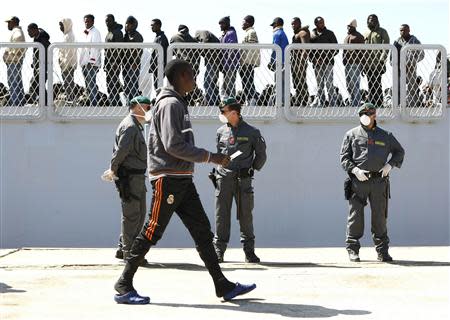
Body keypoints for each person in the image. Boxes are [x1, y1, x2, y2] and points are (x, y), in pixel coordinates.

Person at [113, 59, 256, 304]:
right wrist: (211, 157)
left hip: (181, 179)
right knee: (152, 230)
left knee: (202, 231)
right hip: (168, 179)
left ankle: (222, 285)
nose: (195, 78)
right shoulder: (170, 104)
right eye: (191, 74)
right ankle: (124, 284)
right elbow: (173, 145)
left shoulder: (177, 102)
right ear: (179, 76)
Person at [340, 103, 405, 262]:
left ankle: (382, 251)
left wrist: (390, 165)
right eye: (362, 113)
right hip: (359, 181)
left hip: (379, 182)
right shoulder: (351, 135)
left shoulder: (385, 135)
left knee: (380, 217)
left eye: (368, 113)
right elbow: (344, 158)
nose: (365, 116)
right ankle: (353, 249)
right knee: (355, 216)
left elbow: (399, 151)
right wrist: (355, 171)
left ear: (374, 115)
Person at [213, 97, 267, 263]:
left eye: (224, 111)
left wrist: (251, 169)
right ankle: (219, 251)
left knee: (245, 215)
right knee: (221, 215)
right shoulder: (221, 132)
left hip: (243, 181)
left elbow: (261, 155)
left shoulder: (252, 132)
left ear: (234, 113)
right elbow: (219, 154)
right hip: (224, 180)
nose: (221, 114)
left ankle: (249, 252)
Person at [103, 96, 152, 262]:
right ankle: (129, 253)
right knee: (133, 215)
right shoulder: (131, 127)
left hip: (135, 177)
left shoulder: (134, 126)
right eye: (147, 107)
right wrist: (113, 169)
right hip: (131, 178)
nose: (149, 111)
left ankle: (123, 247)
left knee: (137, 214)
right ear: (137, 108)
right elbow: (121, 152)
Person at [393, 24, 424, 107]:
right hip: (399, 70)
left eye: (404, 30)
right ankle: (398, 106)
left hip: (411, 70)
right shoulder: (397, 42)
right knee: (398, 88)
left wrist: (412, 62)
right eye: (401, 30)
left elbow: (421, 54)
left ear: (409, 30)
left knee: (412, 89)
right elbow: (391, 57)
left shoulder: (415, 41)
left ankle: (412, 106)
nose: (402, 32)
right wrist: (395, 65)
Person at [310, 16, 338, 107]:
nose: (322, 24)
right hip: (317, 64)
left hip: (328, 64)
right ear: (316, 24)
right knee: (319, 85)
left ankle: (332, 103)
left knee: (329, 84)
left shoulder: (330, 33)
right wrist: (314, 59)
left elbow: (336, 49)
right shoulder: (312, 35)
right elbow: (309, 50)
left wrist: (325, 58)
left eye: (323, 22)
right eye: (320, 22)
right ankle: (321, 103)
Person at [363, 14, 390, 108]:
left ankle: (379, 104)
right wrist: (363, 64)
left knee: (377, 84)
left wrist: (382, 61)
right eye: (370, 20)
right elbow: (362, 50)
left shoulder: (382, 32)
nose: (372, 21)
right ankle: (371, 105)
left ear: (377, 21)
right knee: (370, 84)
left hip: (378, 64)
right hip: (367, 65)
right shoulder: (365, 33)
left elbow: (386, 47)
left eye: (374, 20)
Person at [79, 14, 102, 106]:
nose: (86, 23)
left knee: (92, 84)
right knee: (88, 85)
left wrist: (92, 62)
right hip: (85, 63)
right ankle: (90, 102)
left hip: (92, 63)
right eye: (85, 21)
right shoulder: (85, 33)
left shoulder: (96, 32)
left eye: (88, 21)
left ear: (93, 21)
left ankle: (94, 104)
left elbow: (95, 48)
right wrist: (81, 62)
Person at [3, 16, 25, 106]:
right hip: (14, 61)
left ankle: (15, 104)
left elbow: (18, 40)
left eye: (9, 23)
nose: (8, 25)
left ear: (13, 22)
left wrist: (11, 54)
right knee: (16, 82)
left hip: (13, 62)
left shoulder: (17, 32)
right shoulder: (16, 31)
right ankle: (19, 102)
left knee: (13, 82)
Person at [195, 30, 221, 105]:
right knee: (212, 84)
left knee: (207, 83)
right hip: (215, 61)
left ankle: (211, 103)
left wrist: (199, 49)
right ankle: (216, 102)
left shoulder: (203, 33)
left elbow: (205, 41)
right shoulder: (211, 36)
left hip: (212, 62)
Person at [27, 23, 50, 104]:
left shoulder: (43, 40)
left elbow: (47, 54)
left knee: (38, 86)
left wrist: (42, 64)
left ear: (35, 30)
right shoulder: (36, 38)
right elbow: (37, 53)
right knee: (37, 85)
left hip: (43, 67)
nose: (28, 34)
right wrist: (34, 63)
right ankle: (44, 102)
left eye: (29, 31)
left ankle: (46, 103)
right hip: (38, 67)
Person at [343, 19, 364, 107]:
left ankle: (356, 102)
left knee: (355, 84)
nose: (348, 28)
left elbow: (363, 52)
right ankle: (352, 101)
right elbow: (344, 50)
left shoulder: (358, 36)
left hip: (356, 63)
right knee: (348, 84)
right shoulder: (347, 37)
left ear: (354, 27)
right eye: (347, 26)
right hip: (347, 63)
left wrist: (362, 65)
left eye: (350, 26)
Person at [122, 16, 144, 103]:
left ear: (133, 25)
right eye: (126, 23)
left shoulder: (137, 36)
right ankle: (128, 102)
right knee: (127, 85)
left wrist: (135, 62)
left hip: (133, 64)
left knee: (133, 85)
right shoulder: (126, 35)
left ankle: (133, 103)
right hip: (125, 64)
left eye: (129, 24)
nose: (127, 25)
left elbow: (139, 51)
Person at [240, 15, 260, 105]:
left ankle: (252, 99)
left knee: (248, 81)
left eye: (243, 22)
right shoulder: (248, 32)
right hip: (245, 62)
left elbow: (252, 49)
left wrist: (246, 62)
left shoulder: (251, 32)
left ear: (248, 23)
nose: (242, 24)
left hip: (247, 62)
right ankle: (249, 99)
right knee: (245, 82)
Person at [291, 17, 310, 106]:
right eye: (292, 24)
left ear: (299, 23)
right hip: (294, 61)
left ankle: (305, 100)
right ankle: (299, 98)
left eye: (295, 23)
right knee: (296, 82)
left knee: (301, 81)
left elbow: (305, 49)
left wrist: (301, 63)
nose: (293, 25)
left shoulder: (302, 33)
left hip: (299, 61)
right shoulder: (297, 33)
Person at [105, 14, 124, 106]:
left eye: (109, 21)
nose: (107, 23)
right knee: (109, 83)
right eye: (106, 21)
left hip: (114, 63)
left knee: (113, 83)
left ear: (113, 20)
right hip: (108, 63)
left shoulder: (118, 32)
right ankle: (114, 101)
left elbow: (119, 49)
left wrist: (116, 62)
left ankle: (116, 103)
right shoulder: (109, 32)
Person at [219, 16, 239, 99]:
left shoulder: (231, 34)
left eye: (222, 24)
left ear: (227, 24)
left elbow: (232, 50)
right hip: (226, 65)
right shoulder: (224, 35)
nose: (220, 26)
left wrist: (227, 64)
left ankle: (231, 102)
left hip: (230, 65)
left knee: (229, 85)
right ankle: (229, 101)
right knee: (227, 85)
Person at [270, 17, 288, 103]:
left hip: (279, 62)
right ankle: (284, 101)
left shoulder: (276, 33)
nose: (272, 27)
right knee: (284, 83)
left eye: (273, 25)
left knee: (278, 82)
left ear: (276, 24)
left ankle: (278, 101)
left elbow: (275, 48)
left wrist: (271, 61)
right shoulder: (283, 33)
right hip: (286, 62)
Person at [58, 18, 77, 102]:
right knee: (67, 83)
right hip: (65, 64)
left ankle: (70, 100)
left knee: (68, 83)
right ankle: (70, 98)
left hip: (67, 65)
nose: (60, 27)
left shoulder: (69, 36)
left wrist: (65, 65)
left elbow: (69, 53)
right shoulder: (66, 36)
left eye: (62, 25)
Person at [149, 19, 169, 90]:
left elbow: (161, 54)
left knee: (158, 87)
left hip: (159, 67)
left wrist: (160, 67)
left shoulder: (161, 38)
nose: (151, 27)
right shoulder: (158, 37)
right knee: (156, 86)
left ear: (158, 26)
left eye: (153, 25)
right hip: (156, 67)